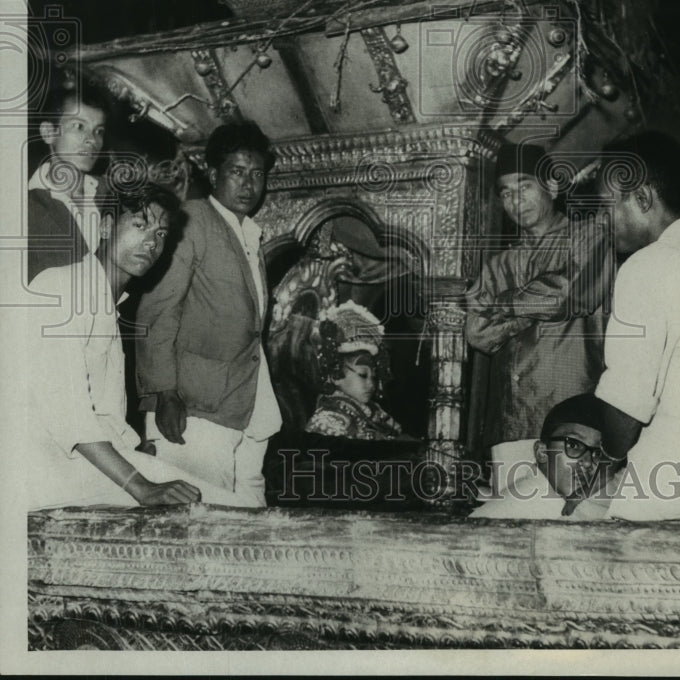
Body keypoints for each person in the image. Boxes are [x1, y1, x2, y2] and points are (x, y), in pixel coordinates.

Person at [26, 180, 244, 509]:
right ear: (105, 227)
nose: (151, 242)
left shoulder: (109, 306)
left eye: (161, 233)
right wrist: (141, 486)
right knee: (224, 510)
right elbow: (68, 416)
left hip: (84, 474)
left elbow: (103, 417)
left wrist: (136, 452)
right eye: (140, 225)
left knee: (226, 507)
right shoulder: (60, 287)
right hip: (49, 476)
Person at [135, 122, 282, 506]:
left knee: (249, 518)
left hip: (246, 407)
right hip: (192, 411)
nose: (248, 184)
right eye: (237, 172)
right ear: (215, 175)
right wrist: (164, 393)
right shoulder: (191, 220)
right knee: (199, 522)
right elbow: (157, 311)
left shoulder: (248, 234)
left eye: (257, 174)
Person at [593, 131, 680, 519]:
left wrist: (601, 463)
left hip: (669, 497)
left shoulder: (645, 267)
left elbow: (623, 412)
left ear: (642, 199)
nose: (601, 221)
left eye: (605, 206)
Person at [465, 142, 612, 486]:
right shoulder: (498, 263)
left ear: (553, 187)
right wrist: (531, 307)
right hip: (509, 420)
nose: (515, 200)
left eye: (525, 186)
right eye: (506, 193)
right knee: (508, 516)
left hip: (572, 416)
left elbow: (566, 294)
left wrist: (503, 306)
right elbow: (476, 333)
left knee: (571, 514)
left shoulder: (590, 236)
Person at [469, 393, 621, 519]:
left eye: (598, 453)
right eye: (574, 445)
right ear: (541, 452)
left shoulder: (582, 503)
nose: (588, 463)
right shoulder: (511, 511)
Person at [27, 77, 110, 282]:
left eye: (99, 131)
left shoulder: (111, 192)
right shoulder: (22, 207)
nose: (92, 140)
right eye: (79, 126)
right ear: (48, 132)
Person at [305, 301, 404, 441]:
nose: (371, 384)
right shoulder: (328, 420)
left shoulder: (376, 415)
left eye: (374, 377)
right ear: (336, 376)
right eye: (363, 375)